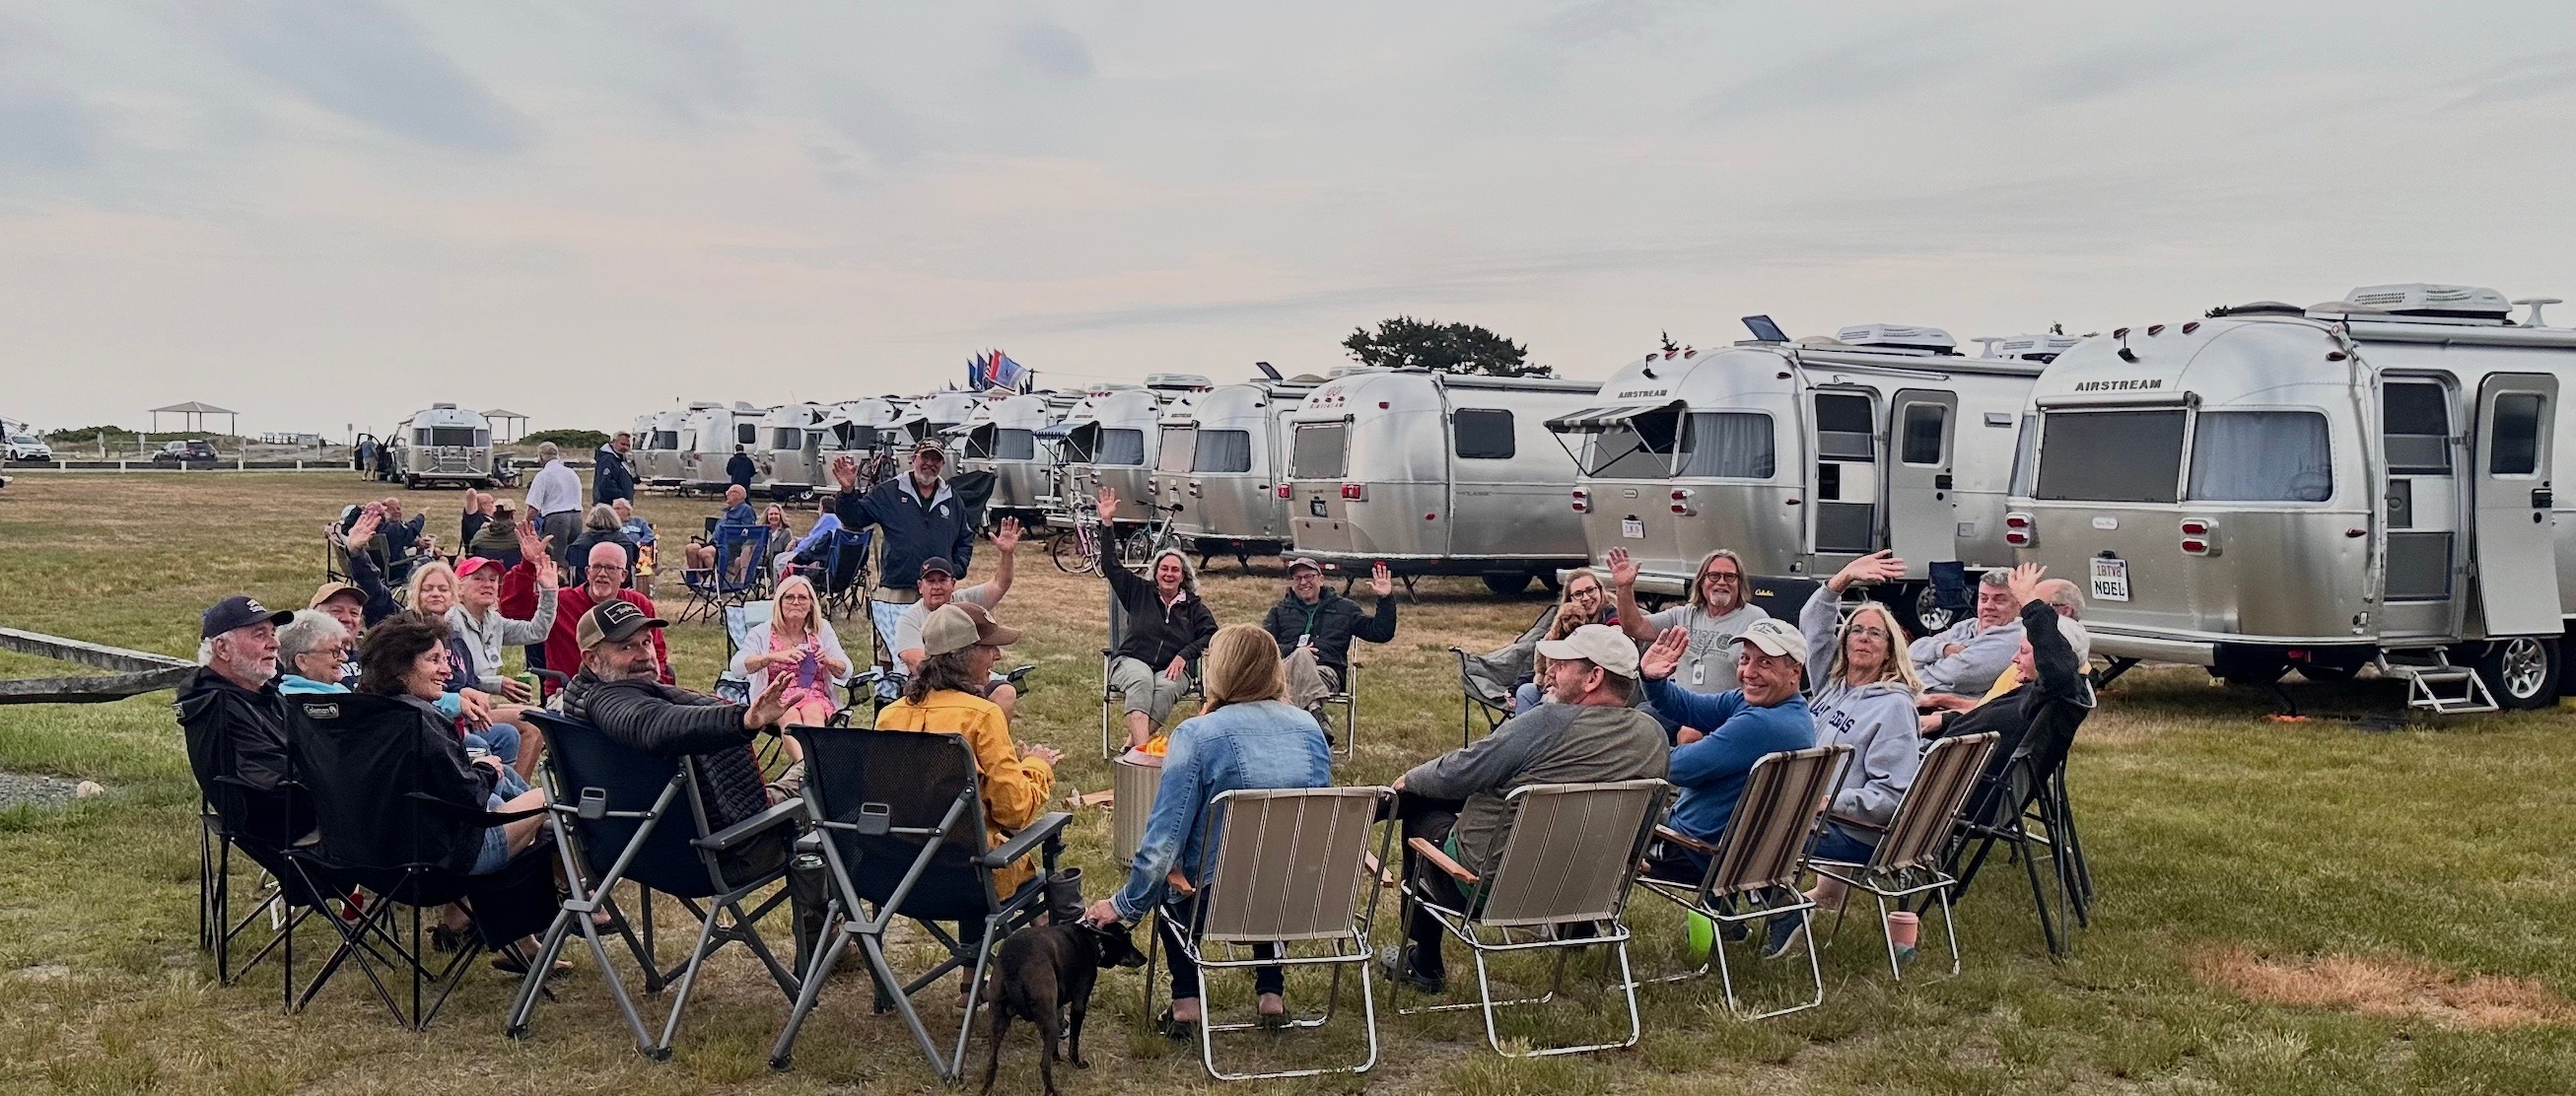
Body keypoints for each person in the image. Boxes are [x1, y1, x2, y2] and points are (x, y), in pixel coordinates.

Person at [1380, 623, 1668, 993]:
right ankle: (1575, 931)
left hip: (1491, 890)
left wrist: (1411, 778)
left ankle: (1424, 962)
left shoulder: (1547, 723)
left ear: (1593, 677)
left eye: (1564, 665)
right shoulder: (1652, 736)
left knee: (1421, 809)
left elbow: (1461, 771)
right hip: (1588, 889)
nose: (1551, 670)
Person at [1082, 625, 1330, 1034]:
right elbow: (1315, 823)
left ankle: (1186, 1004)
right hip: (1295, 896)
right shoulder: (1309, 729)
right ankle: (1271, 994)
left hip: (1212, 900)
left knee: (1171, 879)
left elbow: (1164, 839)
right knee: (1271, 849)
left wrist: (1124, 904)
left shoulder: (1197, 735)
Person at [1758, 551, 1930, 956]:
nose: (1863, 638)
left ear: (1890, 649)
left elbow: (1891, 798)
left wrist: (1825, 802)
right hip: (1811, 811)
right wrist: (1843, 579)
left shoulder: (1893, 707)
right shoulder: (1833, 687)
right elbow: (1813, 627)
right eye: (1856, 630)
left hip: (1849, 828)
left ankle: (1776, 911)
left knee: (1750, 827)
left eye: (1875, 633)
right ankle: (1742, 915)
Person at [560, 600, 801, 882]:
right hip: (721, 852)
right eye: (626, 647)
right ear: (591, 659)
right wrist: (742, 720)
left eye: (646, 642)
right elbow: (653, 724)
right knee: (831, 782)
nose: (644, 655)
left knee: (813, 774)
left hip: (636, 853)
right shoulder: (609, 701)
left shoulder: (580, 702)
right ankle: (825, 925)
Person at [874, 603, 1060, 900]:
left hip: (898, 875)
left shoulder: (889, 716)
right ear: (964, 655)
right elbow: (1012, 811)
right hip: (969, 877)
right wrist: (1037, 766)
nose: (998, 656)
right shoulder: (983, 716)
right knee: (1033, 876)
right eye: (989, 648)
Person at [350, 615, 548, 876]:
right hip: (440, 861)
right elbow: (469, 796)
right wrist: (486, 771)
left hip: (370, 859)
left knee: (505, 780)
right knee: (548, 798)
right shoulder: (419, 720)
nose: (448, 670)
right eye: (434, 660)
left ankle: (461, 917)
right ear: (399, 667)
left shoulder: (355, 715)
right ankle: (581, 888)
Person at [1634, 618, 1816, 884]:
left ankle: (1584, 924)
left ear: (1794, 672)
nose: (1749, 672)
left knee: (1596, 828)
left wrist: (1625, 751)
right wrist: (1653, 679)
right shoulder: (1782, 709)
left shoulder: (1762, 724)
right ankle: (1740, 922)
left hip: (1697, 850)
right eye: (1745, 659)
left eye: (1765, 662)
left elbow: (1680, 768)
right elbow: (1689, 707)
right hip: (1737, 848)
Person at [1921, 564, 2094, 814]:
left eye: (2024, 651)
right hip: (1949, 767)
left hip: (1952, 791)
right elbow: (1994, 720)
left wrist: (2029, 602)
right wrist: (1945, 719)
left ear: (2049, 657)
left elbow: (2057, 669)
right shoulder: (2034, 694)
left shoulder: (2055, 692)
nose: (2014, 658)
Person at [830, 440, 978, 676]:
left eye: (936, 459)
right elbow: (855, 518)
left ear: (942, 463)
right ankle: (891, 697)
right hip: (897, 587)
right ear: (913, 459)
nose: (929, 464)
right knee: (892, 651)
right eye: (925, 457)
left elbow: (965, 538)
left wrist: (956, 569)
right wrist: (848, 491)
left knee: (940, 646)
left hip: (937, 588)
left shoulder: (951, 498)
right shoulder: (890, 491)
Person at [1095, 487, 1218, 750]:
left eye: (1175, 570)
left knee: (1164, 688)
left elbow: (1211, 634)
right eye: (1164, 568)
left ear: (1183, 576)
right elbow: (1110, 565)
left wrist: (1185, 654)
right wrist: (1107, 523)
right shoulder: (1138, 591)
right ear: (1156, 572)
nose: (1169, 574)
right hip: (1132, 661)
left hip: (1172, 668)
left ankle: (1132, 749)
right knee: (1141, 680)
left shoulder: (1193, 606)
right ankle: (1144, 755)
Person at [177, 596, 298, 843]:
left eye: (273, 633)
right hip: (289, 824)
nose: (274, 643)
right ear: (222, 648)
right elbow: (272, 778)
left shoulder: (260, 692)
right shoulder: (218, 706)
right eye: (259, 634)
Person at [888, 517, 1022, 709]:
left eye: (942, 580)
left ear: (953, 583)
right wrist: (961, 688)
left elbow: (1000, 584)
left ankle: (991, 738)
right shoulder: (909, 618)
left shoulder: (966, 602)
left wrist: (1006, 554)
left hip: (972, 680)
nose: (936, 587)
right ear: (920, 587)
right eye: (930, 581)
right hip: (927, 684)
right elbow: (916, 661)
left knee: (1005, 693)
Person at [1608, 546, 1771, 703]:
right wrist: (1624, 588)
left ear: (1739, 583)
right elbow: (1635, 627)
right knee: (1643, 721)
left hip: (1726, 710)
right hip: (1679, 704)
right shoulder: (1684, 614)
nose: (1722, 582)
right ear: (1701, 581)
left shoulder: (1755, 619)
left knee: (1688, 732)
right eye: (1714, 576)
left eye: (1730, 577)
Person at [1259, 558, 1396, 724]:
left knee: (1300, 659)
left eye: (1309, 576)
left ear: (1321, 579)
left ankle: (1296, 725)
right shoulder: (1279, 612)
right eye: (1298, 578)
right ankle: (1315, 713)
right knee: (1301, 654)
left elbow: (1381, 633)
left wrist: (1385, 599)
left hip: (1326, 672)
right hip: (1286, 671)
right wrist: (1294, 649)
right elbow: (1264, 648)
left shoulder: (1344, 609)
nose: (1303, 582)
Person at [729, 574, 851, 749]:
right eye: (789, 597)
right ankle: (807, 770)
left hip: (814, 694)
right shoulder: (761, 632)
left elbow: (847, 670)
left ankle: (810, 771)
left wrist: (828, 661)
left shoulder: (821, 629)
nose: (796, 602)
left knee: (814, 713)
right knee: (789, 716)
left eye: (802, 597)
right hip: (774, 696)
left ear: (810, 605)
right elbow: (737, 667)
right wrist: (770, 657)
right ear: (779, 603)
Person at [1940, 579, 2085, 708]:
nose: (2023, 611)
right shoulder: (2025, 669)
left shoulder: (2056, 679)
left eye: (2036, 606)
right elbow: (1989, 705)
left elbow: (1959, 674)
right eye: (1983, 599)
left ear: (2065, 611)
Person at [547, 542, 673, 686]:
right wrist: (528, 565)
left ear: (623, 575)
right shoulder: (561, 602)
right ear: (588, 573)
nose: (602, 574)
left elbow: (658, 653)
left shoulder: (638, 603)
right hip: (571, 691)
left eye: (610, 568)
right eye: (596, 567)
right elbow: (519, 608)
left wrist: (662, 689)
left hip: (634, 690)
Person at [448, 553, 559, 703]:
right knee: (529, 722)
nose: (487, 584)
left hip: (482, 703)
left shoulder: (494, 620)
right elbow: (454, 678)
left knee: (535, 716)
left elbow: (536, 632)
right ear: (459, 588)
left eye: (492, 579)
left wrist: (549, 591)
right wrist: (496, 684)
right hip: (459, 703)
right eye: (478, 578)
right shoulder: (451, 622)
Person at [1511, 567, 1616, 715]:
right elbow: (1545, 660)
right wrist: (1520, 682)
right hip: (1557, 681)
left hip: (1586, 688)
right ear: (1570, 600)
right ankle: (1523, 735)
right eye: (1578, 594)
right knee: (1525, 691)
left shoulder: (1610, 617)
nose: (1586, 598)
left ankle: (1538, 733)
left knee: (1547, 702)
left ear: (1600, 590)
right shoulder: (1563, 625)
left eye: (1590, 590)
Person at [1909, 570, 2026, 697]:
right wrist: (1946, 649)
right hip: (1920, 694)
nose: (1988, 606)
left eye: (1999, 600)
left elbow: (1958, 674)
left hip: (1958, 710)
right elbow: (1911, 652)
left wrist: (1915, 671)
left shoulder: (2016, 637)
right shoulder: (1967, 626)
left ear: (2018, 605)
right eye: (1983, 598)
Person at [526, 442, 585, 566]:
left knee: (554, 558)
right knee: (572, 555)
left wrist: (525, 525)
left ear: (540, 457)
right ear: (557, 456)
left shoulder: (543, 475)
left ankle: (557, 583)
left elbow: (533, 508)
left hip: (556, 519)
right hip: (576, 518)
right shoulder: (572, 473)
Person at [566, 504, 639, 587]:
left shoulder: (580, 543)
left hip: (586, 592)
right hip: (620, 591)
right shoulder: (626, 542)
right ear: (614, 518)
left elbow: (576, 576)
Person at [612, 498, 659, 596]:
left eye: (618, 508)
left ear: (627, 510)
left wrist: (640, 543)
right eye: (614, 509)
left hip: (639, 552)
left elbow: (649, 535)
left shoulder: (639, 522)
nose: (615, 511)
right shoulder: (613, 524)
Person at [468, 500, 525, 566]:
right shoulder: (521, 537)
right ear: (512, 515)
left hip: (487, 571)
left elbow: (471, 552)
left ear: (494, 515)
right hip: (514, 573)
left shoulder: (480, 536)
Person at [594, 432, 637, 506]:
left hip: (620, 505)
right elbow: (605, 484)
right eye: (622, 444)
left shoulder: (621, 459)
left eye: (628, 445)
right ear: (613, 442)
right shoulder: (607, 459)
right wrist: (621, 497)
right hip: (609, 506)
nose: (626, 447)